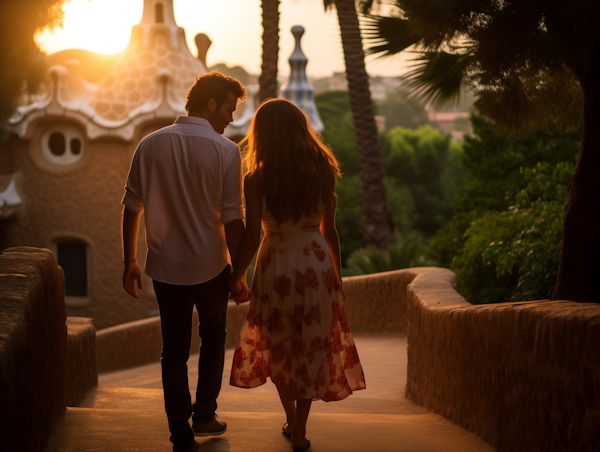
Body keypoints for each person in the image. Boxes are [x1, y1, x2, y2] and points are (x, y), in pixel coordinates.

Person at [228, 98, 366, 452]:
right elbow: (330, 231)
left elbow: (254, 234)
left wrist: (238, 275)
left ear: (263, 133)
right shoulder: (321, 167)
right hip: (315, 264)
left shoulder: (256, 178)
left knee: (278, 348)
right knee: (311, 347)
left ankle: (290, 418)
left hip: (275, 266)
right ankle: (300, 428)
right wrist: (338, 277)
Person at [121, 71, 249, 452]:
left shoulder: (149, 144)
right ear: (210, 104)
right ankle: (205, 414)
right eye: (228, 109)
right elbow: (233, 218)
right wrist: (239, 275)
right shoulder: (226, 152)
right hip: (212, 267)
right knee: (213, 339)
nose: (230, 119)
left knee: (173, 352)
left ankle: (181, 436)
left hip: (166, 269)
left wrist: (129, 259)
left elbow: (131, 206)